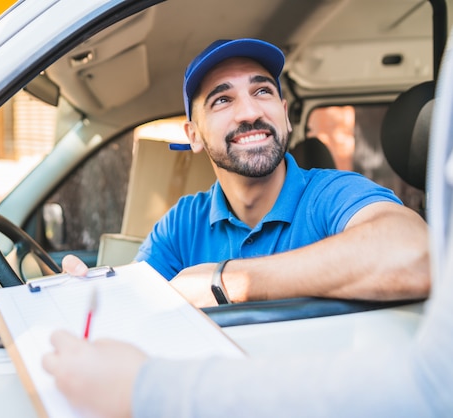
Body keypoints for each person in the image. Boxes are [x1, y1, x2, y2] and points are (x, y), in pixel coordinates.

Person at [63, 38, 430, 307]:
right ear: (194, 136)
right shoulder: (182, 225)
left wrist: (227, 282)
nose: (249, 112)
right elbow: (131, 307)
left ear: (284, 114)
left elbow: (419, 255)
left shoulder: (331, 195)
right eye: (223, 100)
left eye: (263, 91)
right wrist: (88, 296)